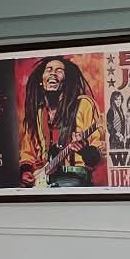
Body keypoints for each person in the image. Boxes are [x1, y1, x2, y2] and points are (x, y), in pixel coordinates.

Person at [19, 56, 104, 187]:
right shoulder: (38, 113)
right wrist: (25, 171)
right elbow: (27, 152)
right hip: (43, 179)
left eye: (59, 70)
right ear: (41, 80)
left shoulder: (83, 104)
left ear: (66, 81)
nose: (53, 73)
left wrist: (85, 150)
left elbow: (100, 150)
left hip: (74, 176)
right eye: (49, 69)